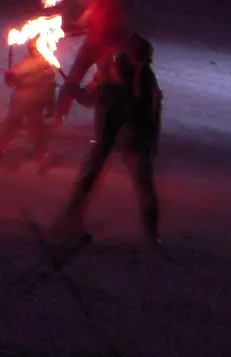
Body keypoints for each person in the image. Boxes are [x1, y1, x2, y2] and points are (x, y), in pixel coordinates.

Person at [52, 34, 163, 245]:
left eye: (142, 60)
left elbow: (152, 112)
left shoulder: (144, 79)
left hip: (133, 137)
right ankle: (69, 220)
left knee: (142, 183)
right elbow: (91, 97)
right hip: (110, 134)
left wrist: (151, 139)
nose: (139, 63)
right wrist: (76, 91)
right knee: (91, 175)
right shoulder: (111, 73)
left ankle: (151, 232)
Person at [53, 0, 132, 124]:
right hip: (93, 44)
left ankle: (103, 113)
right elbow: (83, 23)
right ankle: (60, 111)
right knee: (74, 78)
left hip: (107, 47)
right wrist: (64, 29)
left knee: (106, 81)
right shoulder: (97, 2)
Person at [0, 50, 59, 167]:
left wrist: (50, 106)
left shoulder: (47, 63)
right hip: (22, 100)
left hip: (35, 101)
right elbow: (13, 80)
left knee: (34, 128)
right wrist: (10, 77)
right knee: (13, 124)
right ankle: (0, 149)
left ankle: (40, 155)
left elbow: (50, 87)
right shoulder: (26, 62)